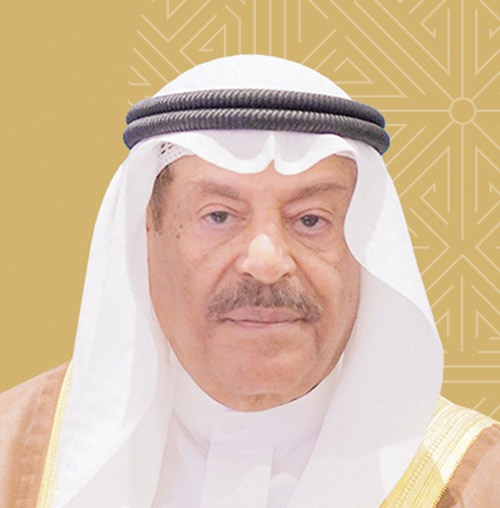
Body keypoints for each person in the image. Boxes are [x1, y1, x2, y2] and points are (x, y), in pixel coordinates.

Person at [1, 55, 499, 508]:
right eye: (219, 216)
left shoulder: (478, 481)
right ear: (147, 231)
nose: (266, 261)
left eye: (311, 220)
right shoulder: (15, 455)